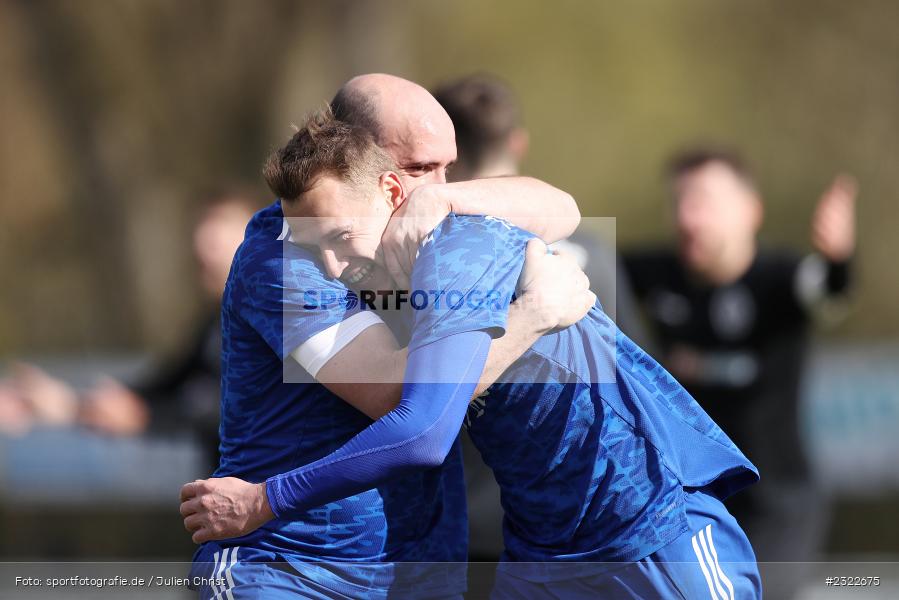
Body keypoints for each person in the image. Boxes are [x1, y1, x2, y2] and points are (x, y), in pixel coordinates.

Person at [186, 108, 763, 599]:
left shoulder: (457, 249)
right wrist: (533, 313)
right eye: (318, 247)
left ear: (392, 188)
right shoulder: (349, 257)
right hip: (541, 551)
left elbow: (422, 430)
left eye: (340, 238)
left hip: (647, 525)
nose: (332, 267)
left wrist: (265, 500)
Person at [180, 74, 593, 600]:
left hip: (416, 572)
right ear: (355, 159)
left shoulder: (424, 219)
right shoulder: (286, 257)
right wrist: (533, 316)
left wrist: (439, 200)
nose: (438, 186)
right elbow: (405, 403)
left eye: (448, 167)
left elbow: (564, 209)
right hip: (294, 568)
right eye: (419, 168)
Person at [433, 74, 652, 563]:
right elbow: (634, 379)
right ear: (517, 143)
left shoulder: (432, 256)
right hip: (577, 519)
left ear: (446, 158)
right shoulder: (593, 254)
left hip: (460, 521)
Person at [624, 147, 856, 598]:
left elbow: (827, 290)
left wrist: (839, 262)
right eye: (679, 202)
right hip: (688, 502)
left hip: (776, 505)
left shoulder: (779, 279)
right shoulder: (655, 275)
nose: (688, 218)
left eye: (703, 202)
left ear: (751, 211)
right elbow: (585, 263)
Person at [2, 192, 256, 471]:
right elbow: (163, 390)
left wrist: (142, 415)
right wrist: (65, 404)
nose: (203, 246)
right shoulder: (217, 324)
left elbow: (234, 406)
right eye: (202, 231)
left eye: (219, 231)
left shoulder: (278, 319)